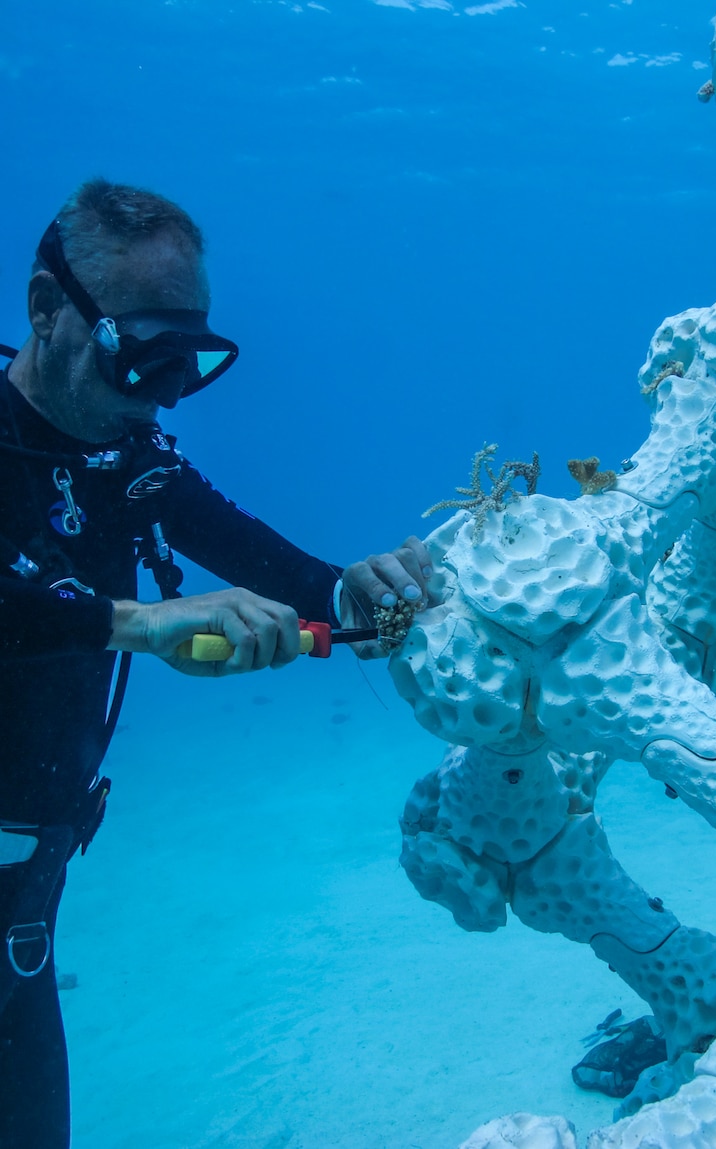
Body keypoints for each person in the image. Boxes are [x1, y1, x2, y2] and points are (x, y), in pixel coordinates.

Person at [0, 178, 431, 1149]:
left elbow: (293, 578)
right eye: (140, 358)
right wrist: (133, 622)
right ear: (44, 308)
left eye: (185, 367)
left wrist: (379, 592)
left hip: (25, 907)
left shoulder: (126, 459)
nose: (160, 398)